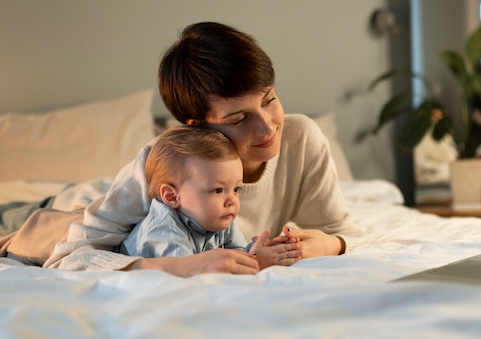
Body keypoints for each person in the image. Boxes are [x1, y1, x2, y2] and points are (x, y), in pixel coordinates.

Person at [45, 21, 365, 277]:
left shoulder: (302, 138)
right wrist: (179, 266)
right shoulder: (164, 159)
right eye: (240, 118)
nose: (267, 127)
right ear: (196, 125)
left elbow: (346, 232)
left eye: (269, 100)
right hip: (73, 206)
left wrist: (331, 244)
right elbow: (69, 257)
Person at [120, 125, 296, 270]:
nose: (231, 200)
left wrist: (260, 251)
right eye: (218, 190)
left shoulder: (219, 216)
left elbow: (235, 254)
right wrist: (255, 264)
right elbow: (191, 274)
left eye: (236, 189)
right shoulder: (164, 231)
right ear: (172, 196)